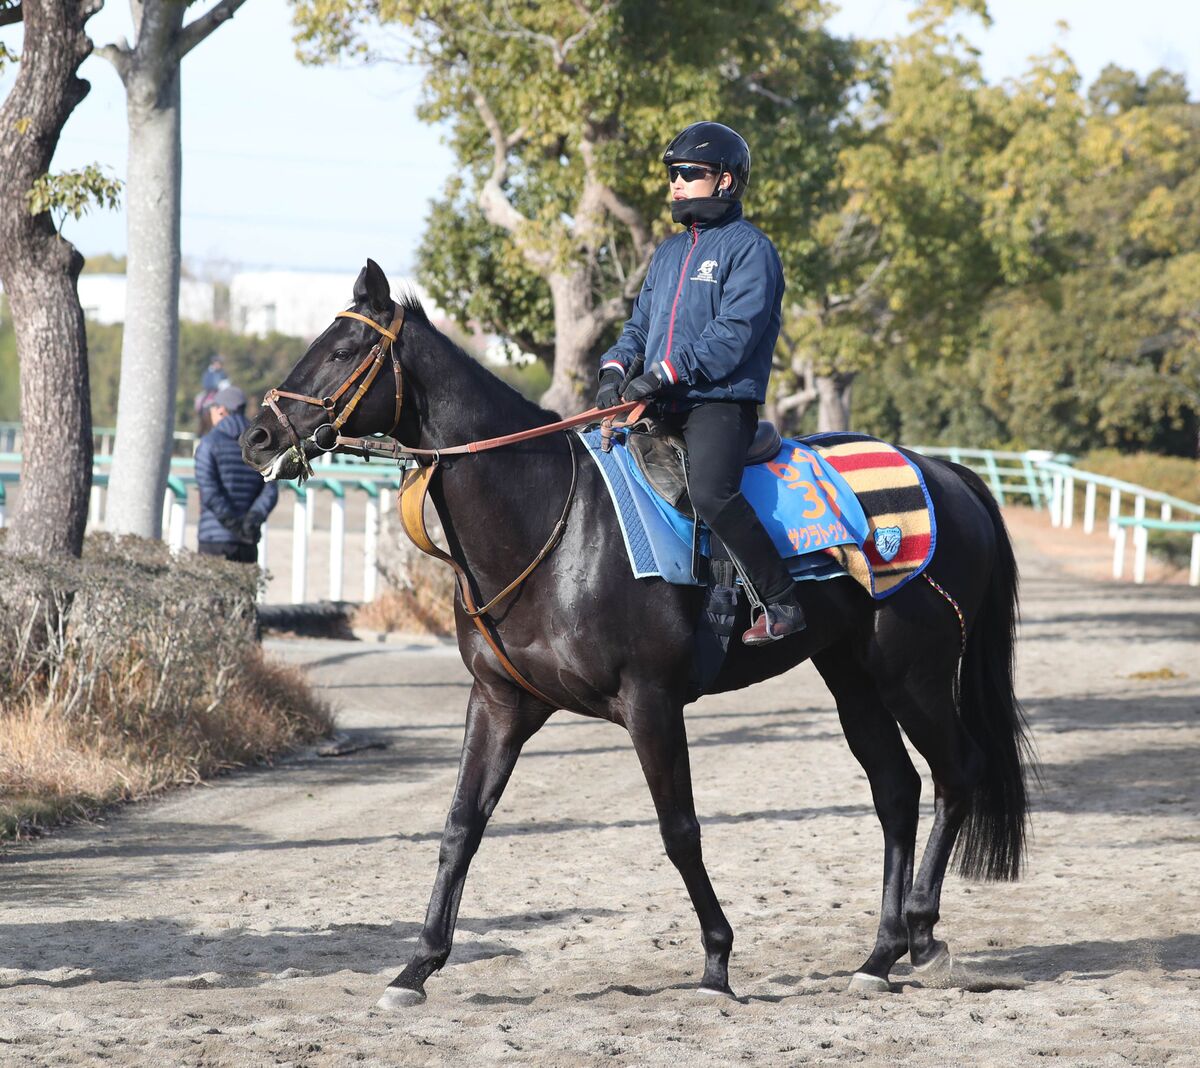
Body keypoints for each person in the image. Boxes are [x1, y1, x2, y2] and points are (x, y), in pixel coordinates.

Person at [595, 121, 805, 644]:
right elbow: (639, 327)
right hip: (661, 399)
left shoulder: (751, 249)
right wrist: (616, 371)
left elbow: (733, 335)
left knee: (711, 493)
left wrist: (662, 375)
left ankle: (782, 600)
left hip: (719, 404)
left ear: (727, 181)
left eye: (690, 172)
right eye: (673, 173)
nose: (676, 183)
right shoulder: (666, 253)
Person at [195, 385, 278, 563]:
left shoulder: (209, 444)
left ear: (222, 410)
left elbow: (209, 492)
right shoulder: (261, 444)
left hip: (214, 538)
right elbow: (270, 490)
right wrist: (250, 523)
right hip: (247, 540)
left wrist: (233, 524)